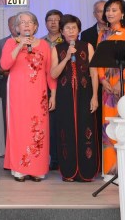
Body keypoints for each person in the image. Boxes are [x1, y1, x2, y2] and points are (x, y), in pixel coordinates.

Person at [0, 11, 56, 182]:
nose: (26, 25)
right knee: (19, 128)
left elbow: (49, 72)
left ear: (35, 26)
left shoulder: (44, 45)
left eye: (29, 22)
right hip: (17, 94)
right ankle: (20, 168)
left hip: (39, 95)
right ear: (17, 27)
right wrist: (20, 46)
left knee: (38, 129)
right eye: (22, 22)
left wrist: (53, 94)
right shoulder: (10, 43)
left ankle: (37, 169)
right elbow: (4, 65)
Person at [50, 14, 99, 182]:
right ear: (62, 31)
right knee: (67, 132)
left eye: (74, 28)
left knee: (87, 131)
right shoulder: (57, 49)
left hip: (85, 95)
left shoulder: (87, 46)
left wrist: (95, 96)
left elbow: (94, 73)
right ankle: (69, 172)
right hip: (64, 97)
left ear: (78, 30)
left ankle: (86, 172)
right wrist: (66, 57)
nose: (71, 31)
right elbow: (53, 74)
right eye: (67, 28)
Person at [98, 0, 125, 179]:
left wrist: (121, 81)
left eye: (114, 10)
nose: (110, 13)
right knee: (109, 126)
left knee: (124, 124)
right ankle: (110, 171)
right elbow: (98, 60)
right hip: (107, 86)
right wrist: (102, 80)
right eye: (108, 10)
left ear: (122, 13)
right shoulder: (103, 33)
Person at [80, 0, 106, 159]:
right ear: (94, 14)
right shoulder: (86, 34)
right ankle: (97, 158)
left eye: (106, 10)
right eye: (99, 11)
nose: (103, 14)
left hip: (113, 82)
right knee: (95, 119)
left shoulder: (117, 31)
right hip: (94, 82)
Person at [43, 8, 63, 170]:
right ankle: (53, 158)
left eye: (56, 20)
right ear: (45, 23)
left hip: (63, 86)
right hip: (44, 86)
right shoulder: (40, 42)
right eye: (50, 20)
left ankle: (64, 157)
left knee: (62, 123)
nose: (53, 23)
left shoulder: (67, 41)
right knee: (49, 125)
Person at [0, 14, 18, 144]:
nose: (15, 27)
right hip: (7, 86)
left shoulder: (31, 42)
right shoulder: (0, 43)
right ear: (8, 26)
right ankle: (10, 149)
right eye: (12, 24)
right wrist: (5, 72)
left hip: (25, 87)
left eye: (17, 24)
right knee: (8, 120)